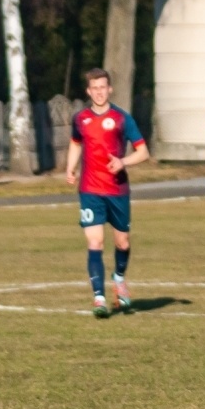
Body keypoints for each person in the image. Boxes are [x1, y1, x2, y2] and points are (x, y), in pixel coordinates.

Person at [65, 68, 149, 317]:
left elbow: (143, 151)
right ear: (88, 91)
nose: (99, 92)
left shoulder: (122, 118)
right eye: (94, 88)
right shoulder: (80, 119)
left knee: (122, 242)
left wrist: (123, 162)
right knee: (95, 242)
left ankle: (119, 278)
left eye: (103, 87)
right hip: (90, 190)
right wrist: (70, 168)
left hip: (117, 190)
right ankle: (99, 298)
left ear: (109, 89)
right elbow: (75, 143)